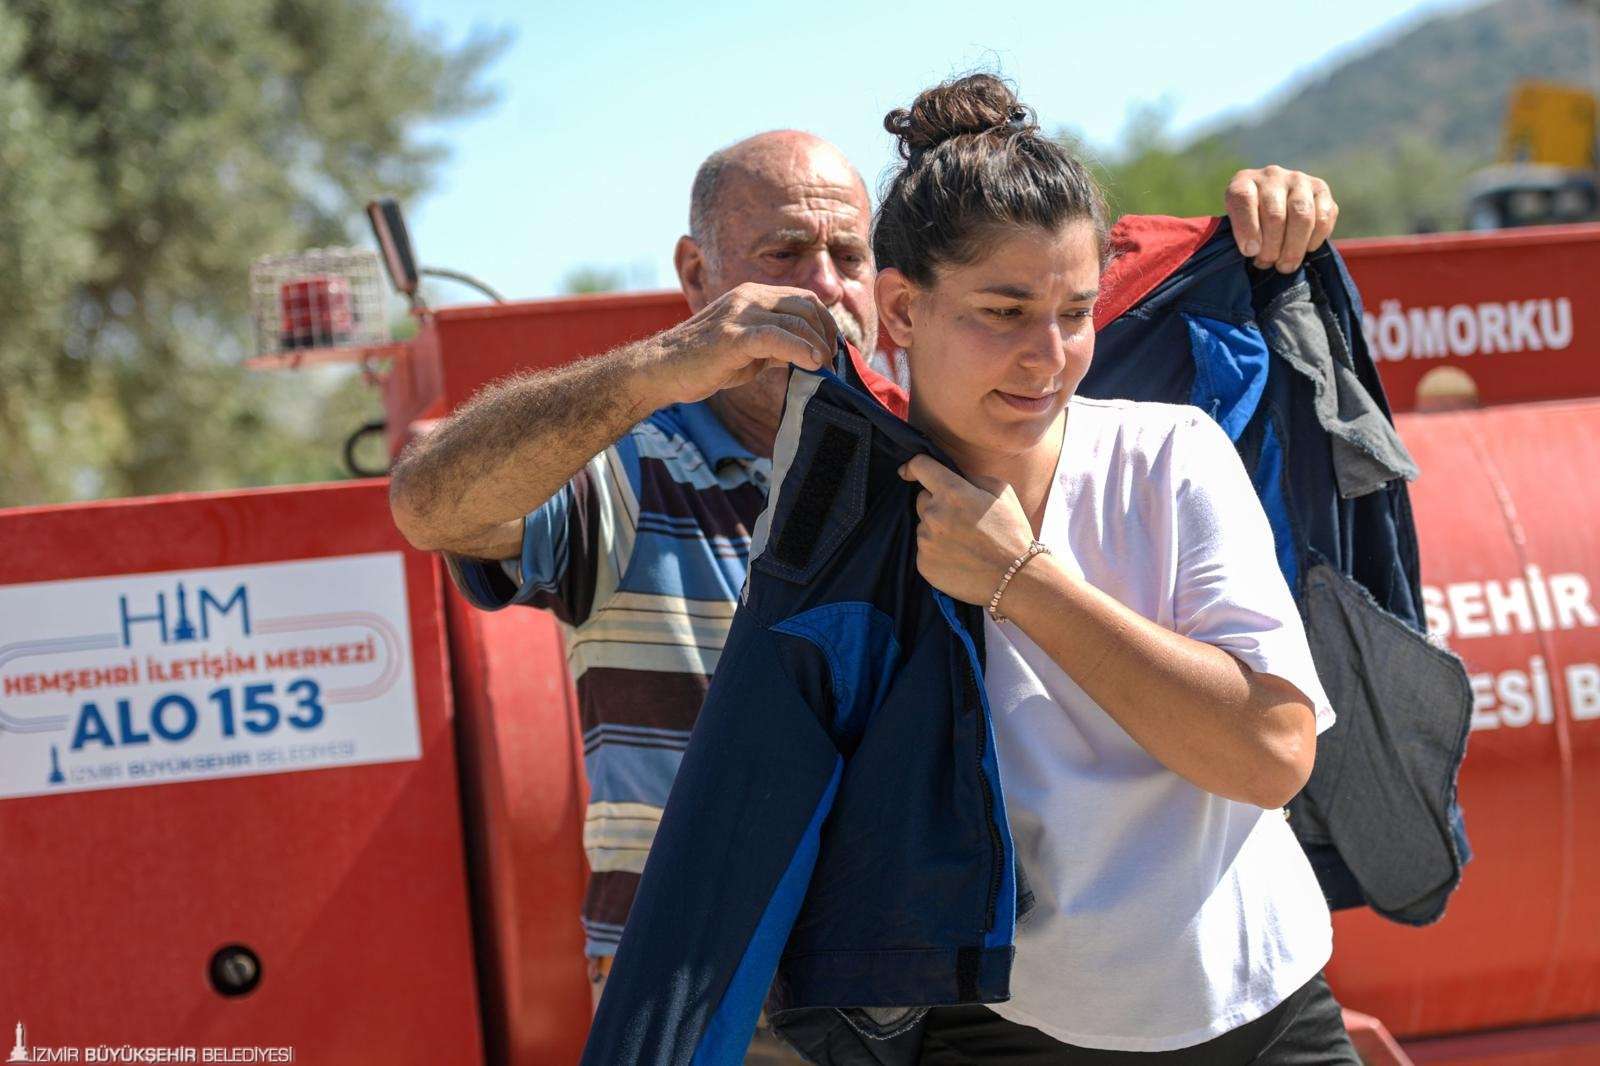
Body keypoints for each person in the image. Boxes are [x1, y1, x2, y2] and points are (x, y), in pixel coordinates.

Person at [385, 123, 1339, 1054]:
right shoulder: (636, 469)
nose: (821, 286)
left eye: (847, 254)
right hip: (711, 983)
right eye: (783, 254)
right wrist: (659, 367)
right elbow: (431, 509)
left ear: (888, 294)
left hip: (885, 986)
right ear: (696, 275)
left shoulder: (933, 474)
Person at [874, 74, 1359, 1062]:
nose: (1047, 355)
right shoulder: (848, 517)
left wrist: (1024, 581)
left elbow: (1271, 754)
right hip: (1004, 1026)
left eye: (1075, 311)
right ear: (900, 308)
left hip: (1263, 1004)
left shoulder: (1169, 454)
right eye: (1004, 310)